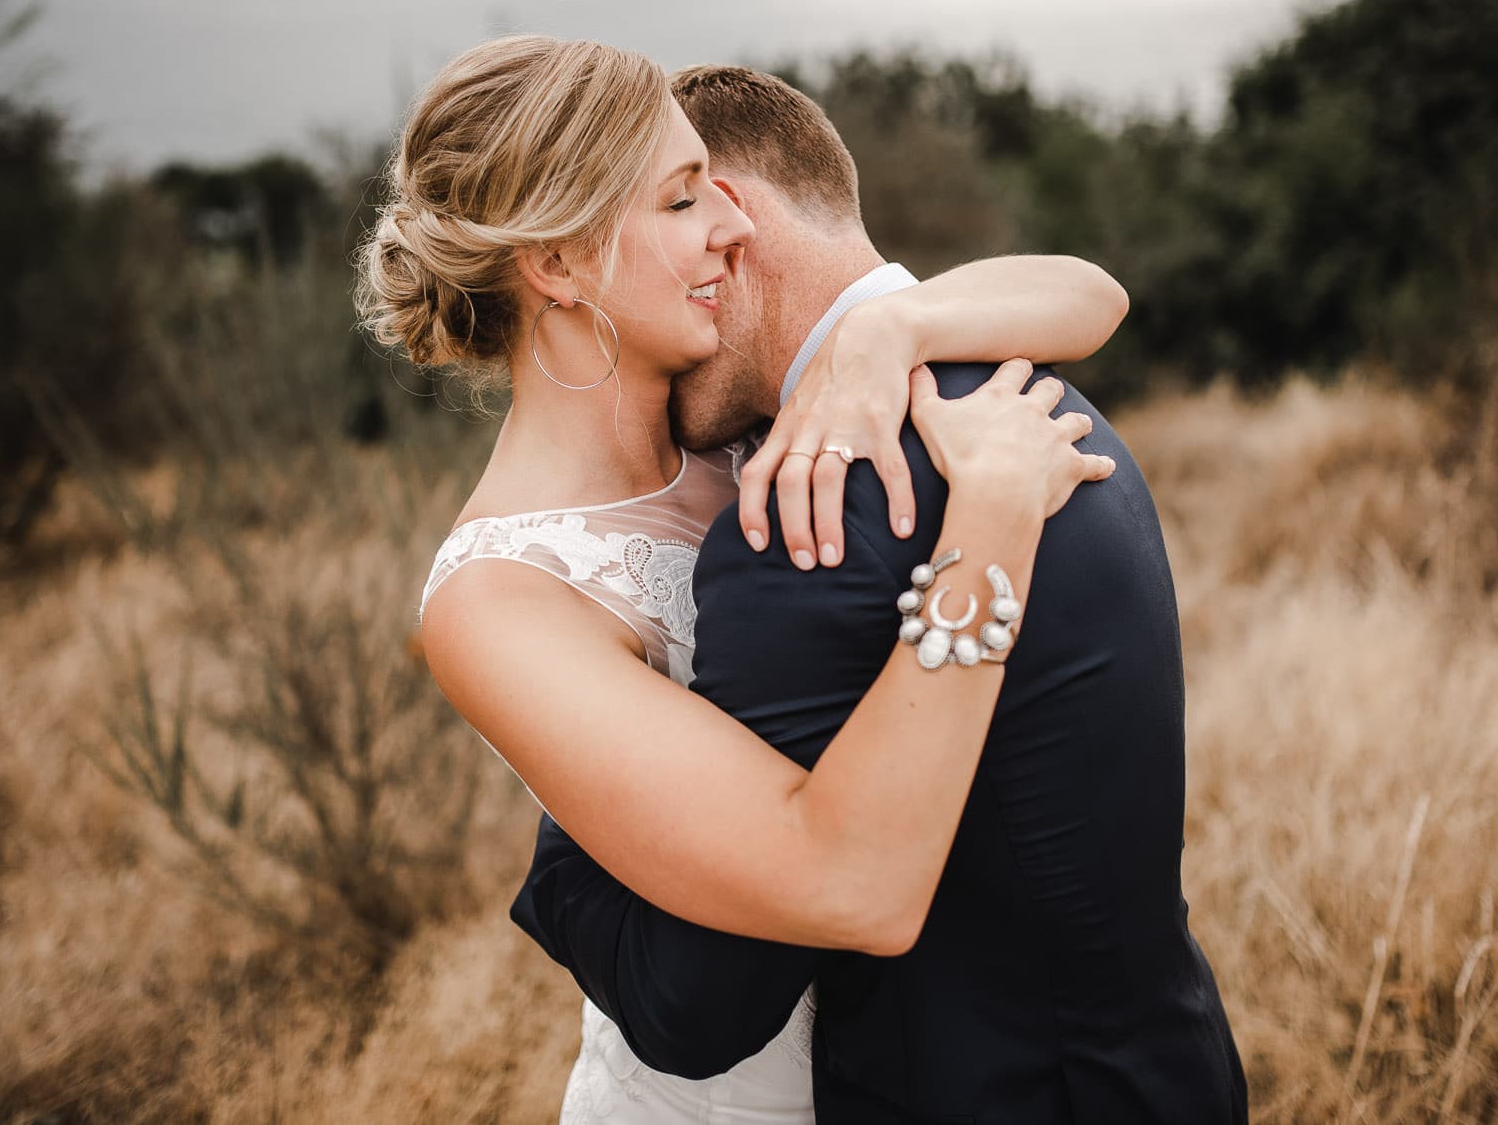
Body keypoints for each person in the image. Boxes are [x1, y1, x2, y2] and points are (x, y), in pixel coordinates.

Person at [358, 35, 1130, 1123]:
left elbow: (1087, 292)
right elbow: (847, 882)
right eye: (681, 200)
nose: (734, 224)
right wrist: (992, 516)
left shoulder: (754, 426)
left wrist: (890, 323)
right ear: (559, 264)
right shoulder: (498, 596)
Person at [507, 65, 1249, 1122]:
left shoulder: (808, 510)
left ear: (725, 222)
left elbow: (698, 1003)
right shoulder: (1022, 386)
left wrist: (569, 800)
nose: (654, 387)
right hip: (1164, 1070)